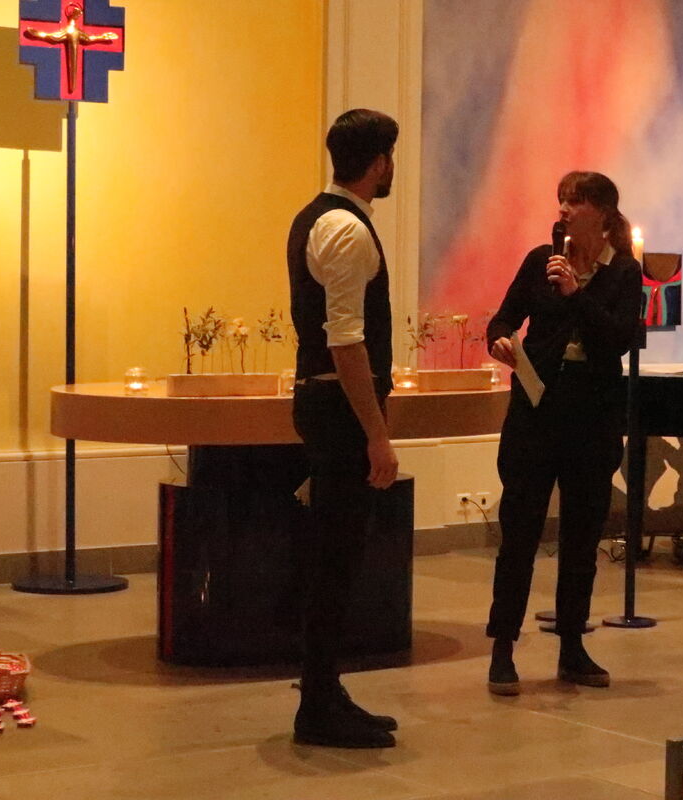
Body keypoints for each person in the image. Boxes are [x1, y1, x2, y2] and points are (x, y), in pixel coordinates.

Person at [484, 171, 643, 695]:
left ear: (602, 212)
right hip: (537, 412)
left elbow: (618, 341)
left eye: (574, 201)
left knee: (581, 539)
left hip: (592, 419)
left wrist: (576, 294)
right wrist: (500, 341)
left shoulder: (624, 272)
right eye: (561, 200)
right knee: (520, 533)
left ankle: (572, 647)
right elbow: (502, 320)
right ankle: (503, 648)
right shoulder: (541, 260)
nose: (564, 209)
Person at [286, 108, 400, 748]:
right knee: (335, 561)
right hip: (339, 410)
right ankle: (318, 706)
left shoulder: (318, 217)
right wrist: (377, 434)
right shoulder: (347, 229)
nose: (391, 168)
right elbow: (346, 343)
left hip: (327, 404)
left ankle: (326, 692)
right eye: (390, 157)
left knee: (335, 558)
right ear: (379, 161)